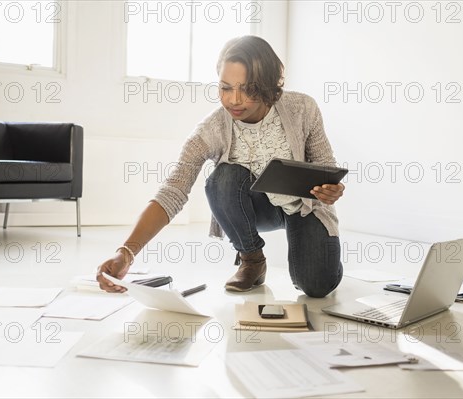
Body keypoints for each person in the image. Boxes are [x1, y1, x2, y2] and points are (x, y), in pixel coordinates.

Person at [97, 35, 345, 298]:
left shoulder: (302, 108)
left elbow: (327, 168)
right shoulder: (211, 129)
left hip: (304, 208)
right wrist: (126, 252)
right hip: (257, 208)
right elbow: (172, 192)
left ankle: (321, 255)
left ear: (268, 85)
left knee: (318, 287)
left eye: (247, 88)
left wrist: (332, 189)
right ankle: (252, 259)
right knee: (222, 178)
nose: (234, 100)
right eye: (225, 88)